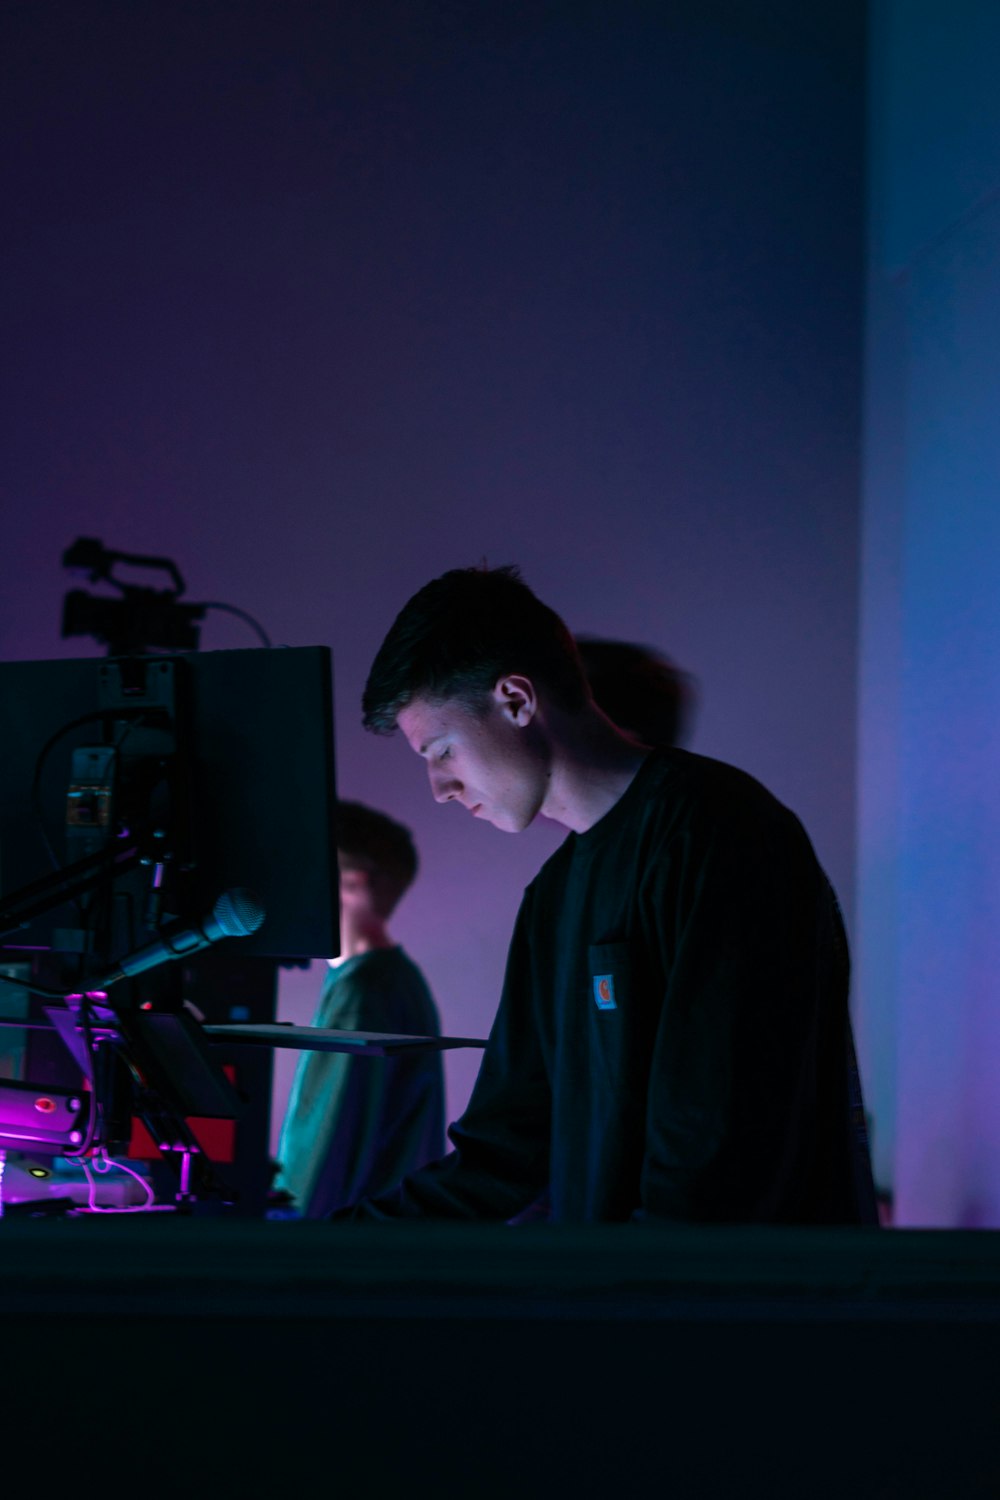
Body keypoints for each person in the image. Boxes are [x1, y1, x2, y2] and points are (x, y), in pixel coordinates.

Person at [336, 565, 876, 1225]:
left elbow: (715, 1161)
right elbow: (504, 1151)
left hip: (731, 1314)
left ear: (515, 700)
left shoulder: (720, 835)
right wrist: (329, 1248)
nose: (439, 788)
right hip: (627, 1304)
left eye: (442, 750)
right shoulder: (553, 898)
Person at [272, 801, 444, 1218]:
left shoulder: (363, 992)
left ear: (351, 883)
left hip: (336, 1256)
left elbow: (325, 1150)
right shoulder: (390, 981)